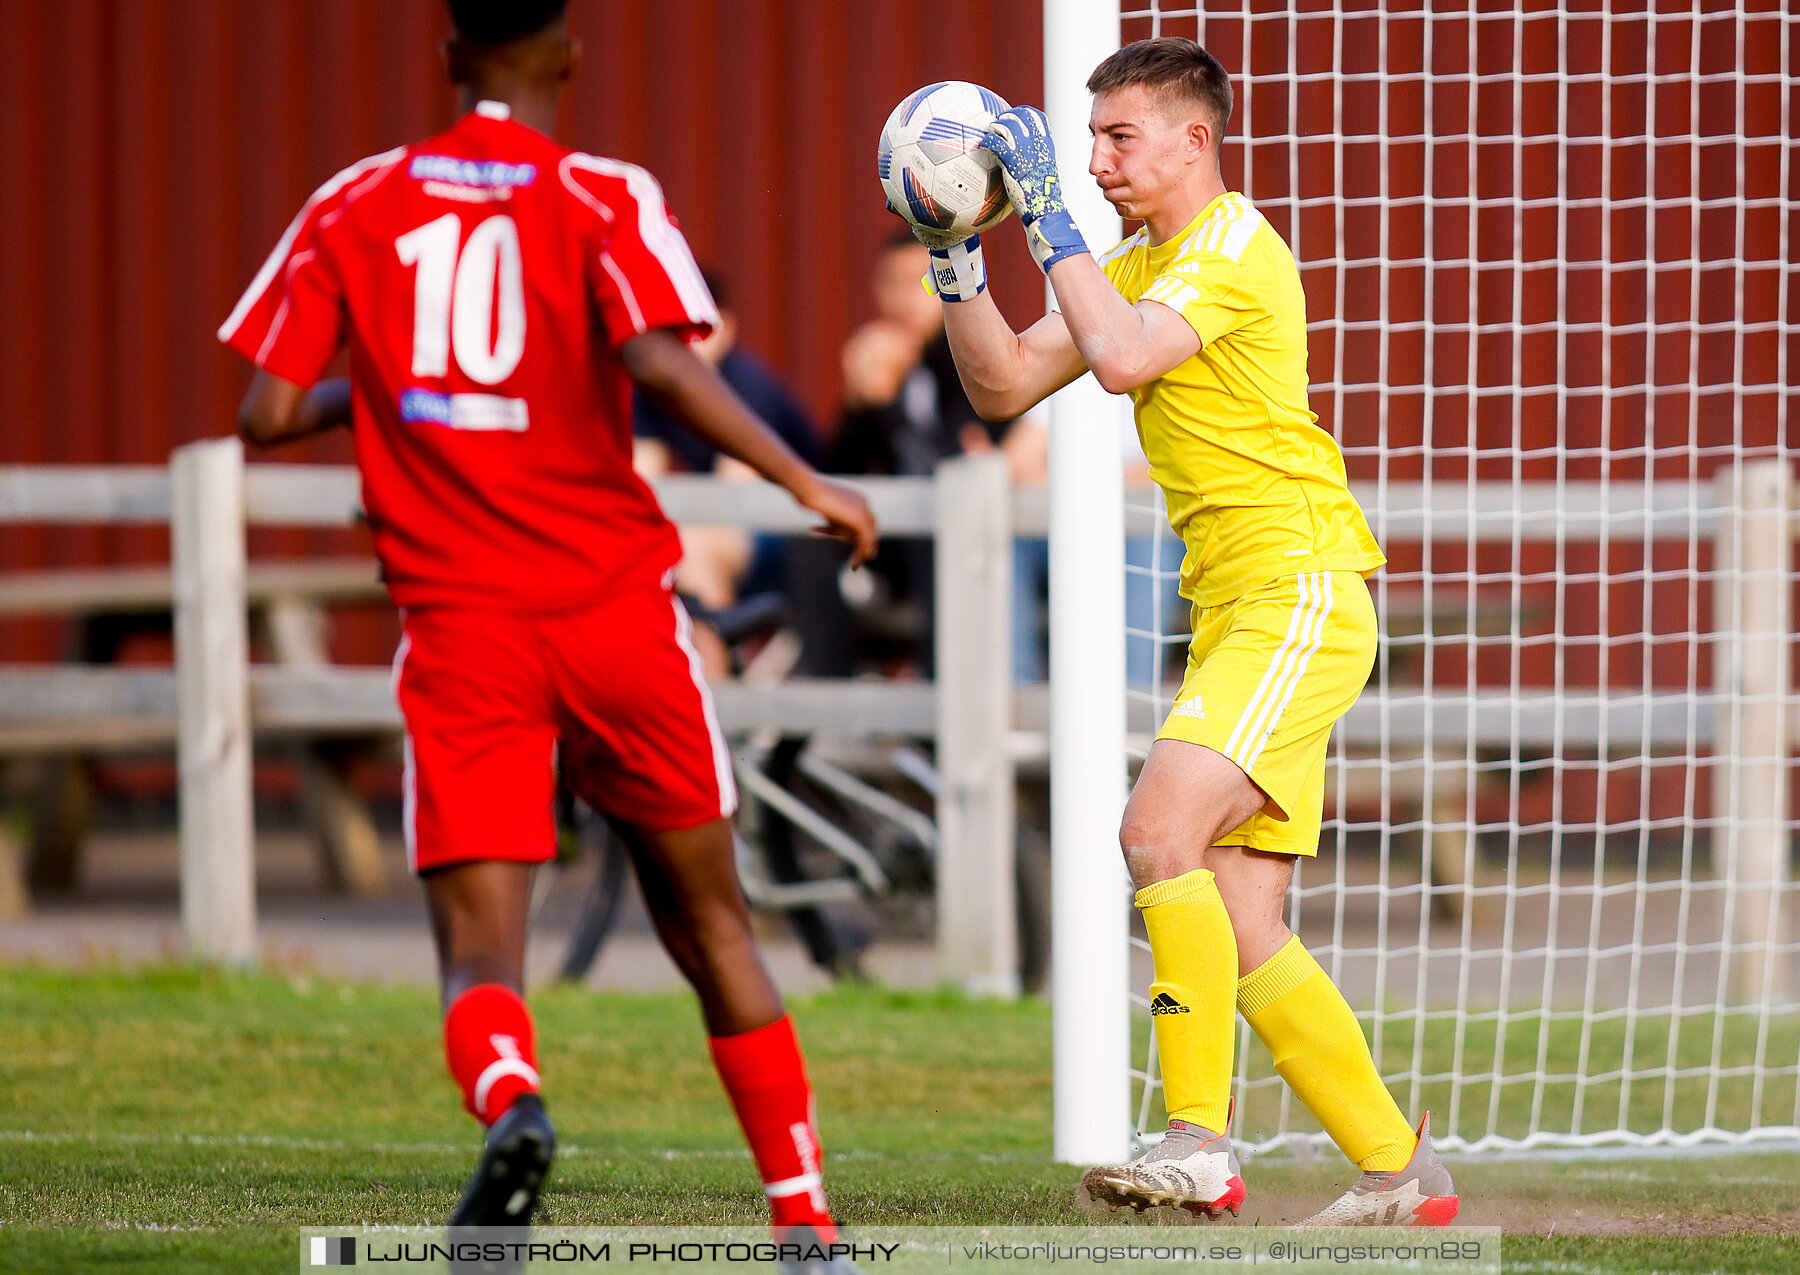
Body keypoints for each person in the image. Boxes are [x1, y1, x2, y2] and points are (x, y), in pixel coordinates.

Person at [217, 0, 875, 1257]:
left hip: (466, 631)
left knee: (480, 952)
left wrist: (422, 382)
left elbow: (269, 406)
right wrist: (807, 481)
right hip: (619, 617)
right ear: (567, 56)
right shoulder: (601, 194)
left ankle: (514, 1105)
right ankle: (806, 1226)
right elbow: (664, 361)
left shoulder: (355, 201)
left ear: (449, 54)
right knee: (713, 923)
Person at [909, 37, 1459, 1226]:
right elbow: (1002, 384)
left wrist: (1043, 213)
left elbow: (1114, 360)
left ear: (1193, 141)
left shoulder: (1230, 247)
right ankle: (1396, 1171)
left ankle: (1198, 1144)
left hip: (1297, 591)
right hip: (1243, 609)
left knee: (1154, 833)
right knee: (1242, 918)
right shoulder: (1148, 257)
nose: (1097, 160)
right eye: (1090, 140)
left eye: (1119, 137)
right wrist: (958, 255)